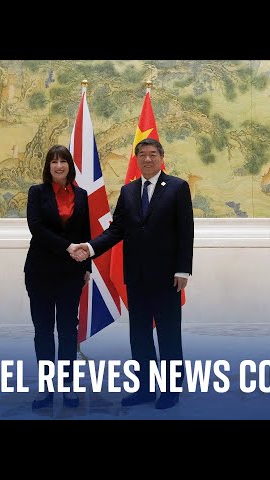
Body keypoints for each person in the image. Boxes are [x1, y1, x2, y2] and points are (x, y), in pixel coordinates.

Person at [72, 138, 194, 410]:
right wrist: (90, 247)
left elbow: (186, 232)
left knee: (168, 335)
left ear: (161, 157)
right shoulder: (128, 191)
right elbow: (117, 231)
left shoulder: (177, 187)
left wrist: (183, 269)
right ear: (136, 159)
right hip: (136, 278)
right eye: (142, 155)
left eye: (153, 154)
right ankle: (145, 389)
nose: (147, 159)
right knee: (139, 336)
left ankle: (171, 391)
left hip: (167, 278)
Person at [24, 145, 91, 410]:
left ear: (70, 166)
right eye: (53, 161)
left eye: (63, 161)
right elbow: (36, 227)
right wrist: (67, 247)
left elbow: (85, 231)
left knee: (67, 330)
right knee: (43, 330)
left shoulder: (82, 195)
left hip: (71, 273)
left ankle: (67, 386)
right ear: (48, 166)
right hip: (40, 271)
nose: (58, 165)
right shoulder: (37, 193)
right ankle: (44, 387)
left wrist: (87, 265)